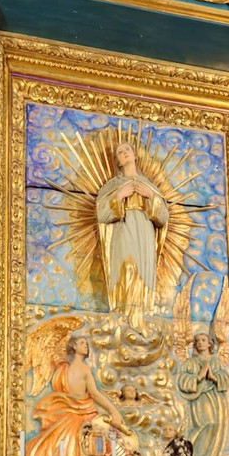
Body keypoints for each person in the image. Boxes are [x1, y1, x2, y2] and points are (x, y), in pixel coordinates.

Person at [25, 335, 129, 456]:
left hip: (67, 415)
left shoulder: (62, 369)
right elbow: (95, 394)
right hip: (81, 416)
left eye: (86, 343)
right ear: (74, 346)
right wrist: (113, 411)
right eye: (82, 343)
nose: (86, 345)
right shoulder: (83, 369)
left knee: (57, 448)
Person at [95, 142, 169, 332]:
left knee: (144, 270)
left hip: (144, 229)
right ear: (118, 161)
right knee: (127, 266)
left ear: (135, 155)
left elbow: (163, 218)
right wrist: (119, 196)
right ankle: (124, 316)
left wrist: (151, 196)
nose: (125, 153)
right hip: (123, 228)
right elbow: (102, 215)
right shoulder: (112, 186)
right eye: (120, 152)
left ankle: (142, 317)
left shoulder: (148, 186)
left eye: (127, 150)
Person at [176, 332, 229, 456]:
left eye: (203, 340)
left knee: (214, 426)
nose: (200, 343)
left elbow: (225, 378)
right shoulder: (189, 363)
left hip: (215, 400)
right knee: (204, 425)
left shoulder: (215, 362)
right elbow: (182, 379)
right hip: (199, 400)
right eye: (197, 341)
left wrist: (213, 377)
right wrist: (199, 377)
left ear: (209, 344)